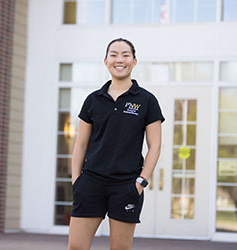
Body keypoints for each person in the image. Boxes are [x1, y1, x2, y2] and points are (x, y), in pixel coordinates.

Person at [67, 38, 165, 250]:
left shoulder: (147, 100)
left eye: (125, 55)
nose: (119, 59)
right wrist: (77, 181)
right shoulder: (93, 100)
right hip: (91, 183)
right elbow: (81, 144)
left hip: (126, 185)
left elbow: (155, 146)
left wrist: (141, 182)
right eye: (114, 54)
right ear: (105, 61)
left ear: (134, 61)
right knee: (76, 247)